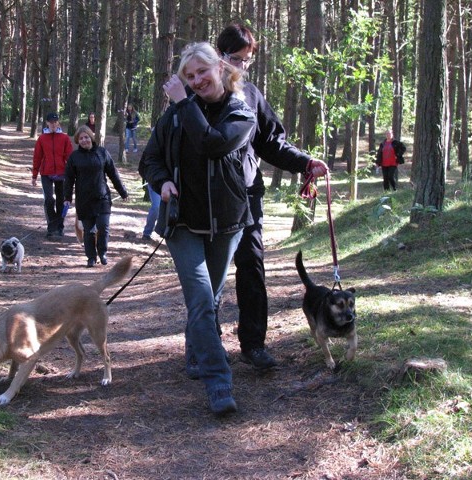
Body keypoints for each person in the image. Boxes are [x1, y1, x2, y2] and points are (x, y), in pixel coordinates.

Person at [139, 42, 256, 416]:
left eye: (202, 71)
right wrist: (162, 183)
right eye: (189, 77)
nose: (197, 80)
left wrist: (182, 103)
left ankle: (196, 348)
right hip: (183, 223)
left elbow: (212, 144)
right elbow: (150, 158)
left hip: (227, 223)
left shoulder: (241, 111)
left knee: (212, 297)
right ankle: (219, 382)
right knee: (202, 298)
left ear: (220, 67)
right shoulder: (175, 115)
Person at [215, 24, 329, 371]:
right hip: (208, 200)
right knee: (210, 277)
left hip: (248, 195)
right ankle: (204, 347)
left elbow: (272, 142)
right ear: (220, 55)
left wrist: (305, 161)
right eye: (237, 59)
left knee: (252, 268)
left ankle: (254, 345)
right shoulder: (200, 89)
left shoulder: (251, 94)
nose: (242, 67)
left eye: (247, 61)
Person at [64, 125, 128, 267]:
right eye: (81, 138)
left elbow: (113, 174)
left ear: (91, 138)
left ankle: (102, 253)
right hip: (84, 200)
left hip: (102, 198)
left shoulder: (102, 153)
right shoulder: (74, 157)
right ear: (77, 141)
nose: (84, 140)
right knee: (89, 231)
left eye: (86, 137)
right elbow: (68, 179)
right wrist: (67, 198)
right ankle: (91, 257)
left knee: (103, 227)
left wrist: (122, 191)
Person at [32, 112, 73, 238]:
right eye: (51, 122)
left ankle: (59, 227)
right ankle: (51, 226)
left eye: (55, 122)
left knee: (61, 200)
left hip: (61, 173)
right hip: (46, 173)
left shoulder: (64, 138)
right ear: (47, 123)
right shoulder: (42, 139)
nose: (53, 124)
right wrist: (34, 175)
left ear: (58, 123)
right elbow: (37, 157)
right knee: (49, 199)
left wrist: (73, 173)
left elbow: (70, 157)